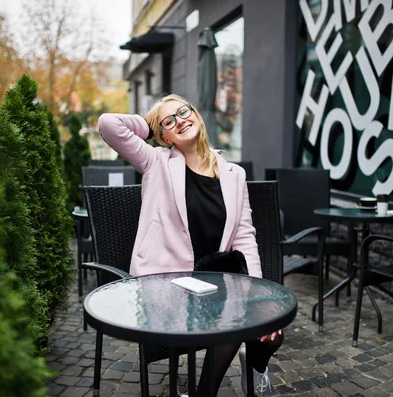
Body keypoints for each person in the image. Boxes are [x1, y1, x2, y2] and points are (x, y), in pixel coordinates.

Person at [98, 94, 283, 396]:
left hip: (213, 282)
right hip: (164, 283)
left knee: (272, 332)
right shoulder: (155, 161)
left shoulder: (235, 174)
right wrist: (149, 124)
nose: (179, 120)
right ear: (163, 136)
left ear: (196, 114)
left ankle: (254, 364)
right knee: (234, 319)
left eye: (183, 112)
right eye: (168, 121)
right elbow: (108, 124)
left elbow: (245, 236)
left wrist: (258, 296)